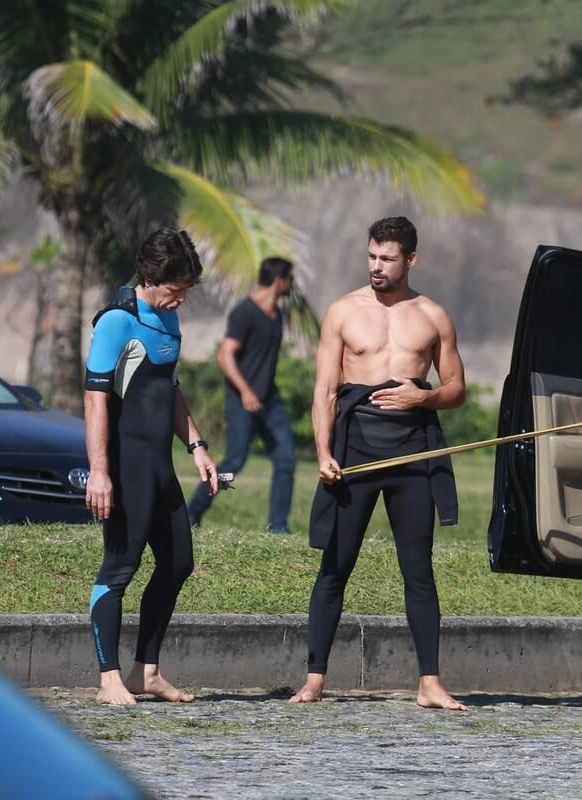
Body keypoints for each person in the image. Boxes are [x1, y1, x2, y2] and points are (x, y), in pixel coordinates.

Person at [290, 216, 467, 711]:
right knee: (335, 566)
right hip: (357, 449)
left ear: (410, 260)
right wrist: (324, 453)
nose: (376, 266)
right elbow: (325, 392)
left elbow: (456, 390)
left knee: (418, 569)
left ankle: (430, 682)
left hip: (413, 451)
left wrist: (423, 397)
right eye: (371, 256)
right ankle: (315, 678)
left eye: (387, 258)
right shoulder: (343, 312)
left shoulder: (432, 315)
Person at [83, 228, 220, 706]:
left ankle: (147, 671)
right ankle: (108, 679)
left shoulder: (169, 321)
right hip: (125, 465)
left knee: (178, 561)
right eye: (174, 289)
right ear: (150, 277)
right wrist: (100, 472)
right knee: (119, 568)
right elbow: (95, 400)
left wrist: (197, 444)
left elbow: (170, 389)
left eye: (186, 290)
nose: (180, 299)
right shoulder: (117, 322)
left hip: (159, 464)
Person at [188, 256, 297, 533]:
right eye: (290, 279)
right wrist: (246, 391)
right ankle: (192, 513)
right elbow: (225, 356)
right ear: (279, 280)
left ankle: (279, 526)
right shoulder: (245, 312)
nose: (292, 285)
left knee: (286, 459)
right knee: (233, 464)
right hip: (242, 401)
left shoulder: (278, 315)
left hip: (269, 401)